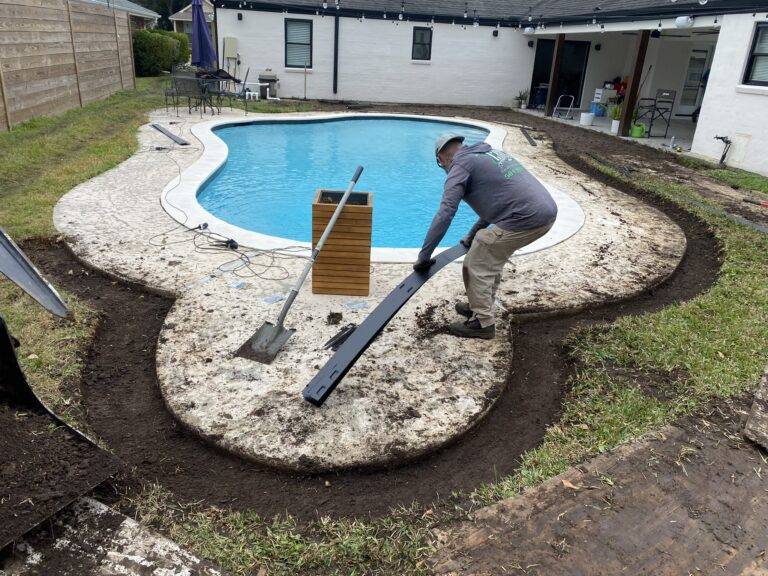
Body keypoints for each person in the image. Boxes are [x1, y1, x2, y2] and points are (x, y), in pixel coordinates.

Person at [413, 134, 557, 339]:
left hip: (527, 218)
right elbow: (498, 205)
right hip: (544, 212)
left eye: (441, 164)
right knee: (489, 253)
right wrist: (471, 233)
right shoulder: (487, 154)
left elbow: (446, 213)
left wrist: (424, 256)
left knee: (478, 258)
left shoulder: (459, 166)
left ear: (442, 158)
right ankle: (480, 305)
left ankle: (483, 323)